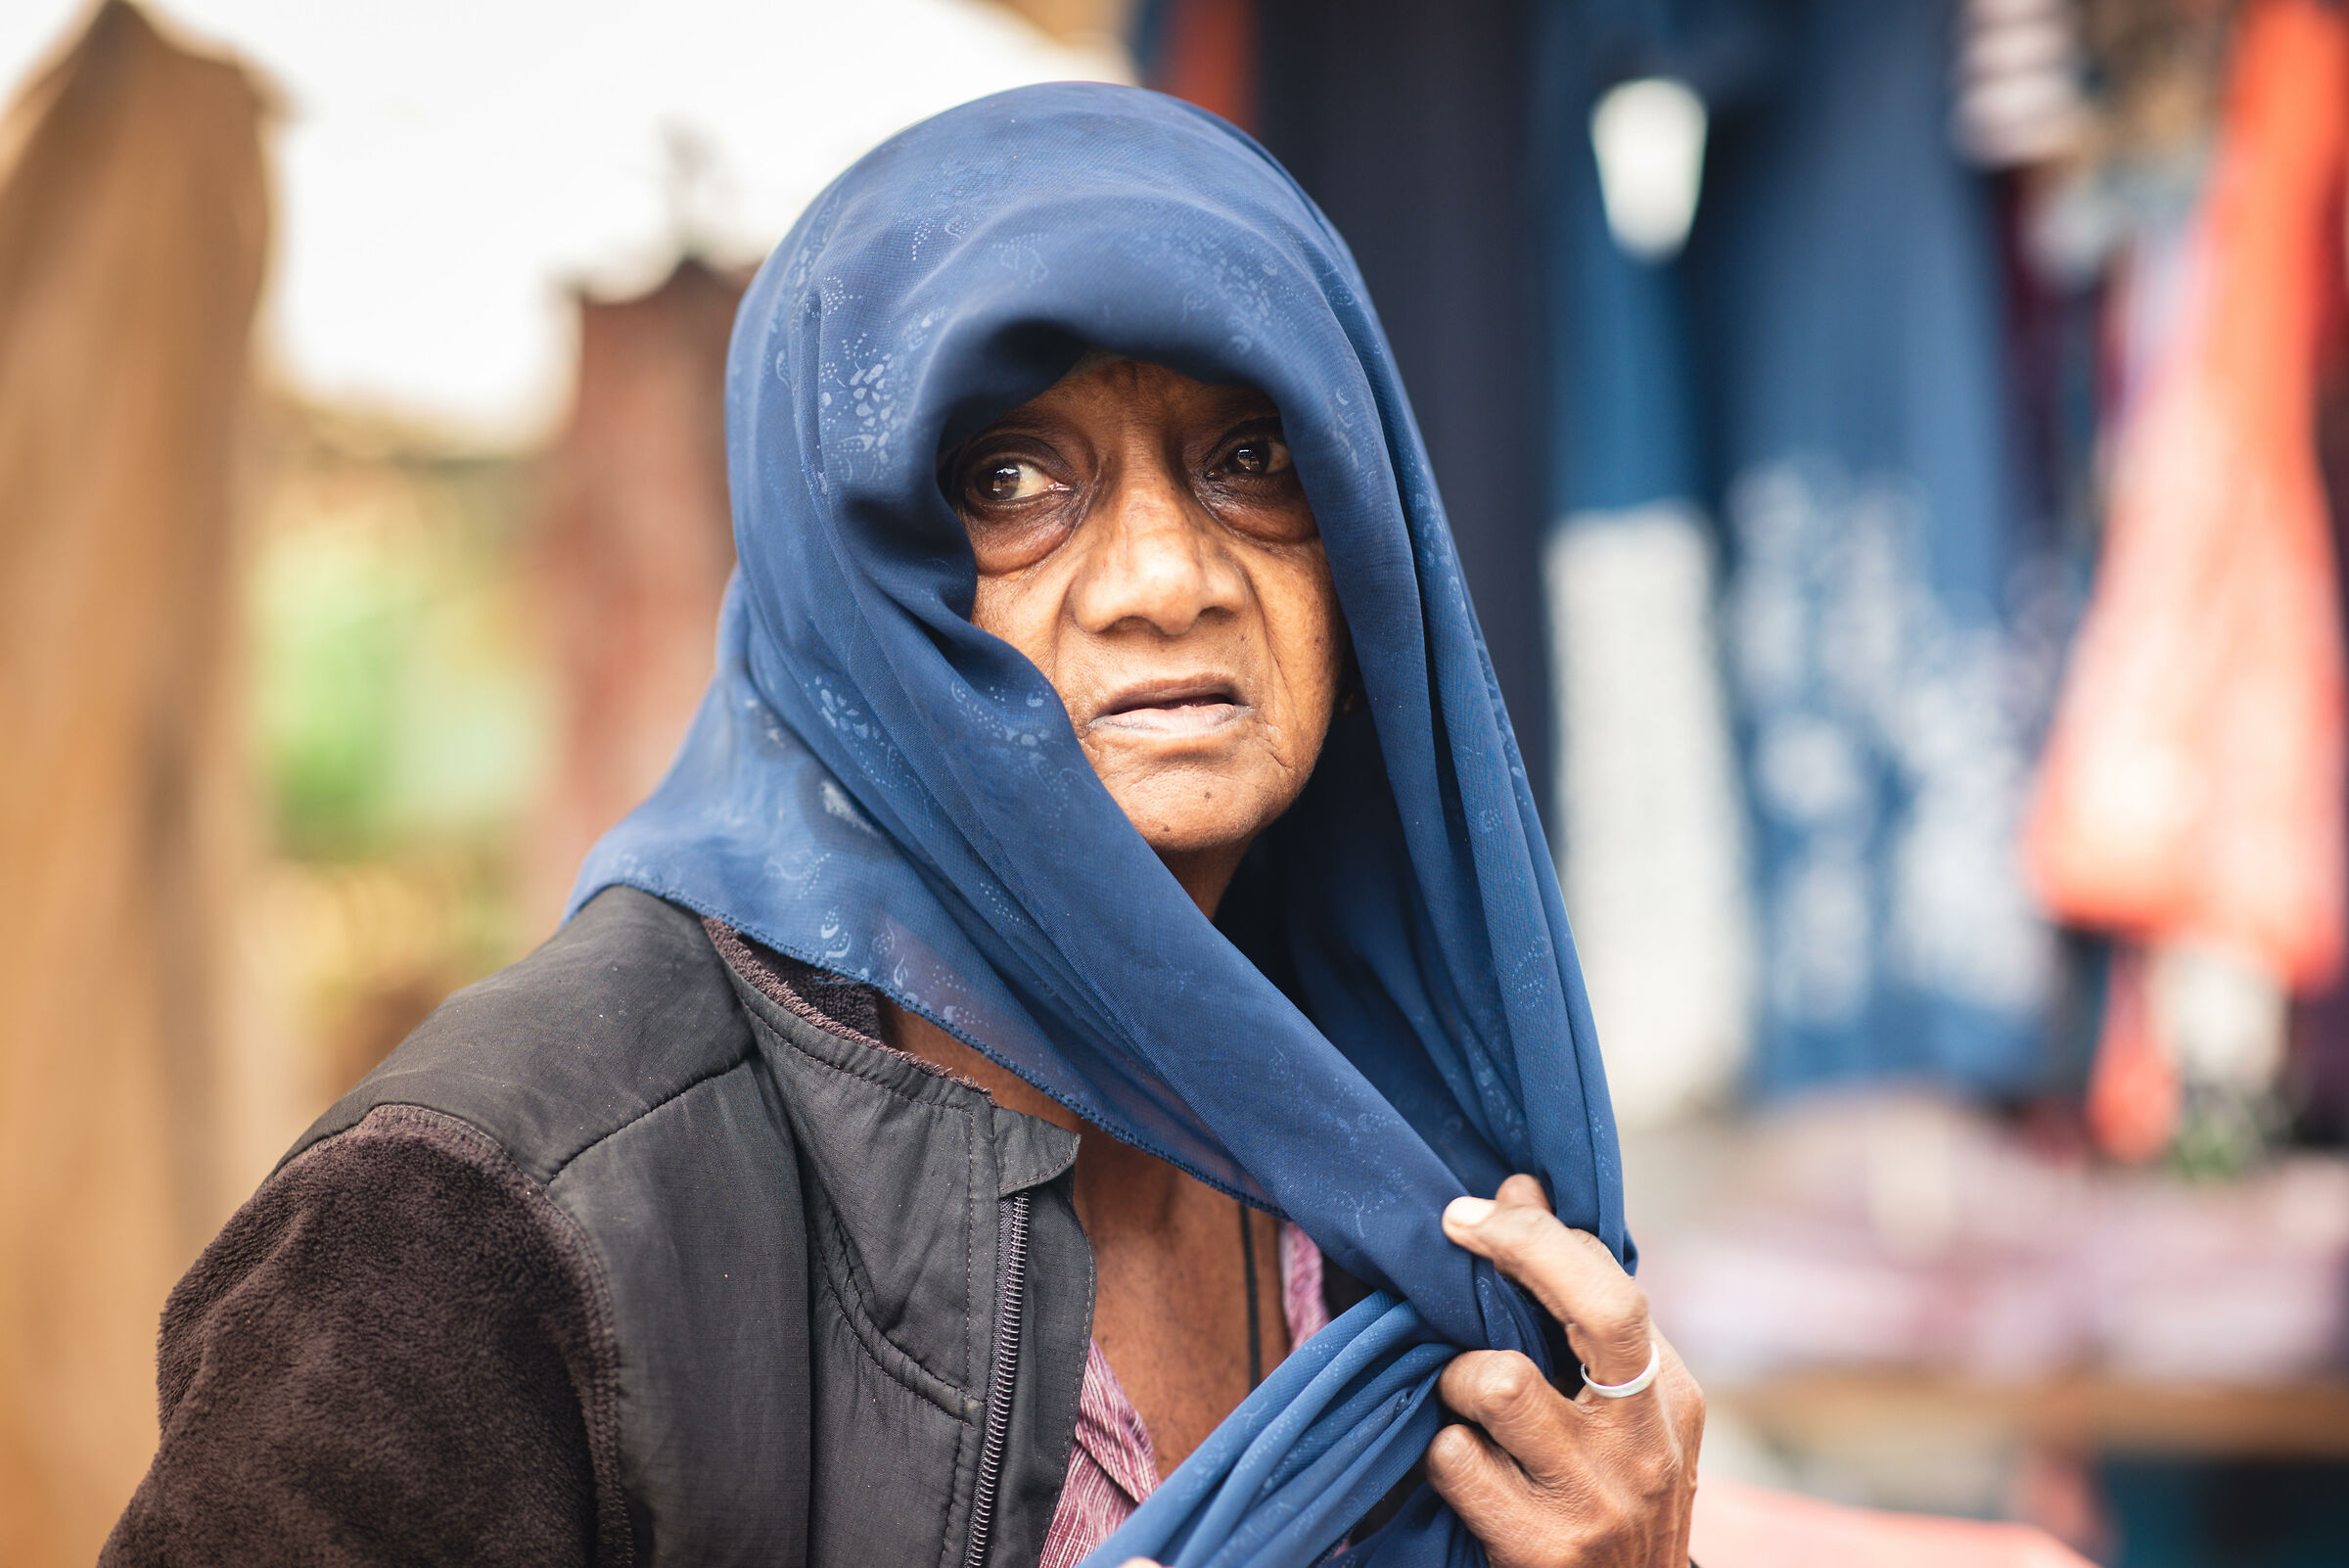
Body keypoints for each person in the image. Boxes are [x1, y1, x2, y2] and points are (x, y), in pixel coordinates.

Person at [105, 84, 1700, 1568]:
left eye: (1251, 460)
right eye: (1010, 477)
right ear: (842, 567)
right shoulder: (483, 1214)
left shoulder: (1421, 1144)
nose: (1168, 577)